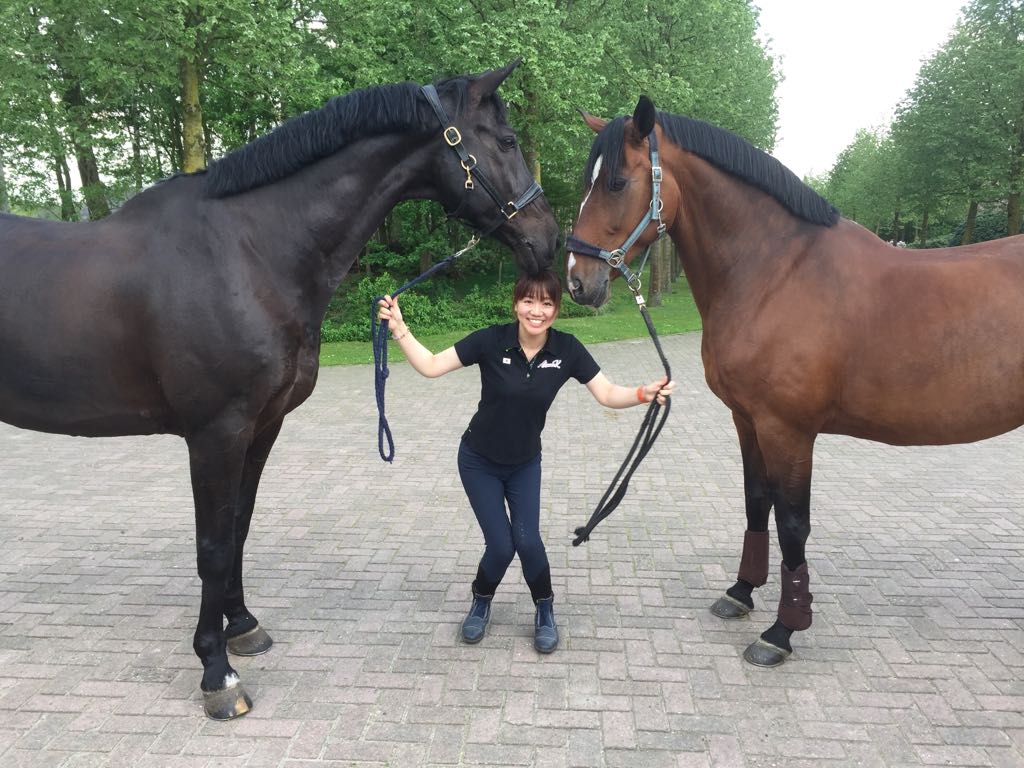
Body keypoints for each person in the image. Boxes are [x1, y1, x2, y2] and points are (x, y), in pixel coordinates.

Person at [377, 269, 673, 653]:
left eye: (547, 303)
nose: (537, 311)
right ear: (516, 304)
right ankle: (481, 601)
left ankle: (545, 609)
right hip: (478, 461)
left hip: (524, 464)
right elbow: (432, 366)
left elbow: (606, 393)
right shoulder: (490, 340)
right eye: (529, 301)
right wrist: (399, 328)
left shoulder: (567, 350)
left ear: (556, 309)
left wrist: (642, 393)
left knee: (528, 541)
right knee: (501, 546)